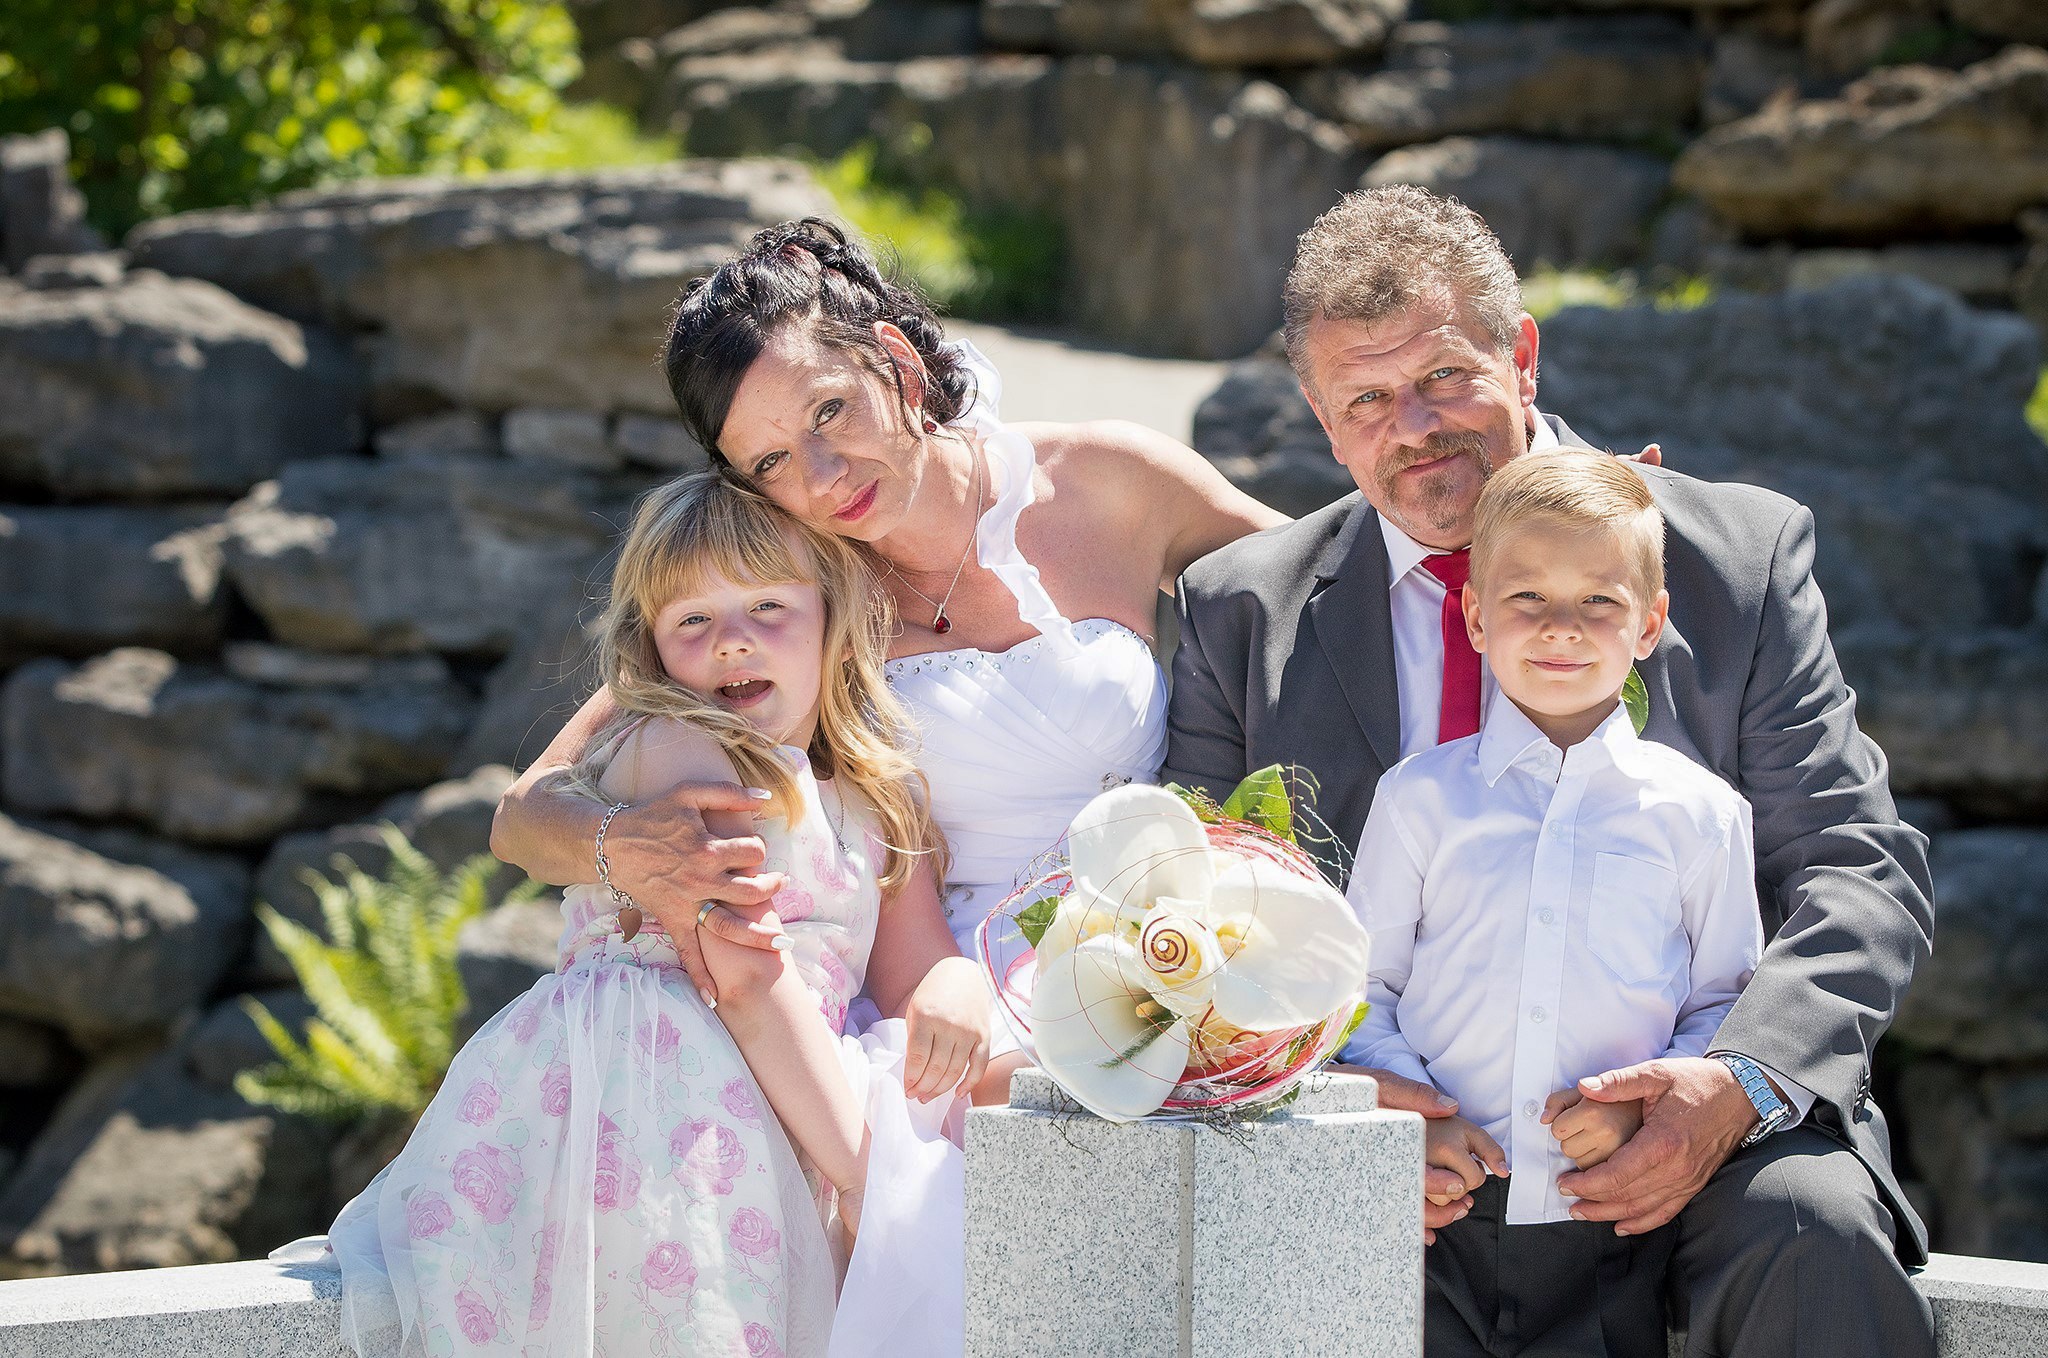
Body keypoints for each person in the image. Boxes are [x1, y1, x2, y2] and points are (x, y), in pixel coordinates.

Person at [1164, 184, 1937, 1356]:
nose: (1411, 426)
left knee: (1810, 1225)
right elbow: (1190, 905)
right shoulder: (1242, 611)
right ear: (1323, 422)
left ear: (1519, 354)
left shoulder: (1733, 558)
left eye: (1442, 379)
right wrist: (1338, 1097)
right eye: (1365, 400)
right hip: (1382, 1143)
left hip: (1699, 1126)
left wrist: (1732, 1085)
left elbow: (1853, 866)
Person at [490, 219, 1281, 1078]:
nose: (823, 473)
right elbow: (525, 818)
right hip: (941, 1003)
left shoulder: (1108, 480)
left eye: (831, 409)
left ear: (897, 360)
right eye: (771, 462)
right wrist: (628, 845)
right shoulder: (784, 603)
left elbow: (1327, 598)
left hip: (1185, 944)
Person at [309, 474, 972, 1358]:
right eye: (692, 621)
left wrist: (956, 980)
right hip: (654, 1101)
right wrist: (861, 1169)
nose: (731, 643)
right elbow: (743, 975)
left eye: (767, 605)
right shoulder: (682, 749)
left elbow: (912, 965)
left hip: (775, 1102)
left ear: (836, 616)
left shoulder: (875, 800)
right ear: (653, 649)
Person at [1346, 451, 1766, 1355]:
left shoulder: (1701, 815)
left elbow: (1725, 1002)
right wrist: (1413, 1116)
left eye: (1600, 604)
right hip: (1431, 1225)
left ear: (1649, 624)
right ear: (1475, 617)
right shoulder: (1418, 799)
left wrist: (1645, 1108)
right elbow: (1358, 989)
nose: (1562, 630)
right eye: (1528, 599)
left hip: (1614, 1232)